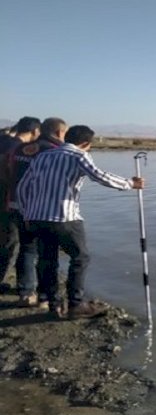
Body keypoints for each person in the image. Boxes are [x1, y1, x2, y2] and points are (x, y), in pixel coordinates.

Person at [17, 125, 145, 319]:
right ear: (86, 143)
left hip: (37, 217)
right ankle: (76, 304)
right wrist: (130, 184)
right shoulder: (79, 156)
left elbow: (23, 186)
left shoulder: (42, 156)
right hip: (65, 217)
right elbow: (100, 176)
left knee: (47, 259)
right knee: (80, 257)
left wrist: (27, 213)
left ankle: (53, 303)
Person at [11, 118, 68, 307]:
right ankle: (45, 297)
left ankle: (26, 292)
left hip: (16, 203)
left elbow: (8, 171)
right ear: (59, 132)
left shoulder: (20, 148)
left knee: (27, 247)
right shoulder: (54, 151)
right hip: (42, 209)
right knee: (46, 253)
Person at [0, 117, 41, 292]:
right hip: (7, 201)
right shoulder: (16, 148)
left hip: (6, 200)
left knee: (6, 242)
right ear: (34, 132)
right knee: (10, 243)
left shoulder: (6, 142)